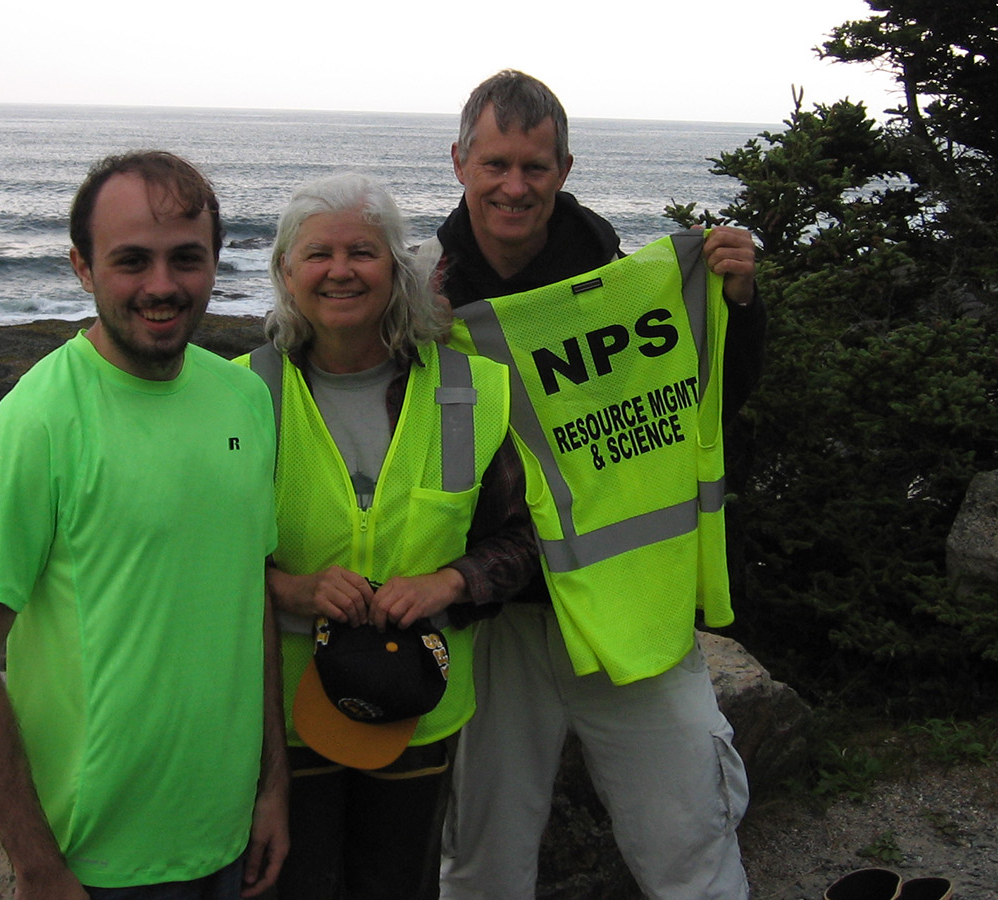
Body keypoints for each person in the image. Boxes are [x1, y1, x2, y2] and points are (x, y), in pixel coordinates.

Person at [427, 71, 766, 900]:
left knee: (691, 835)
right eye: (496, 163)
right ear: (460, 163)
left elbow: (711, 401)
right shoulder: (422, 298)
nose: (515, 185)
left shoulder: (626, 282)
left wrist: (738, 301)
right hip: (496, 622)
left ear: (565, 170)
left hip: (630, 609)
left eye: (534, 167)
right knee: (480, 858)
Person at [0, 150, 289, 900]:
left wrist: (272, 789)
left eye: (185, 259)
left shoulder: (246, 399)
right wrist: (38, 867)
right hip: (97, 865)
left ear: (216, 262)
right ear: (82, 268)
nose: (162, 286)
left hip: (229, 839)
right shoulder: (38, 421)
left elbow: (247, 600)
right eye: (132, 261)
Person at [243, 172, 537, 900]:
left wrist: (452, 581)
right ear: (285, 271)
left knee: (398, 885)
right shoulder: (242, 393)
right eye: (317, 254)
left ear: (397, 267)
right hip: (280, 711)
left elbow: (529, 537)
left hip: (419, 701)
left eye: (363, 252)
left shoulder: (472, 388)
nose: (340, 271)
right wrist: (291, 587)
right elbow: (194, 558)